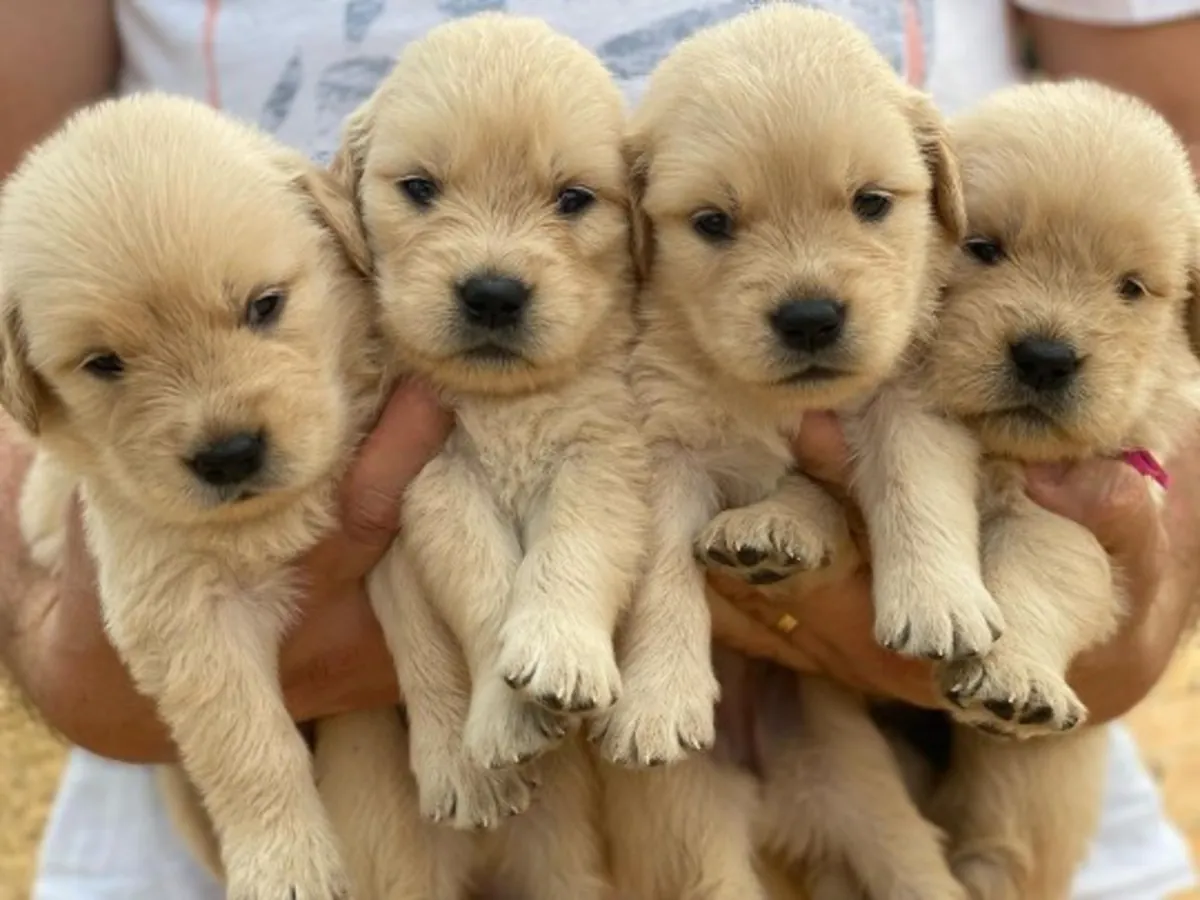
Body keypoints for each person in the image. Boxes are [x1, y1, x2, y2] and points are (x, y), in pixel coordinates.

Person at [1, 1, 1198, 898]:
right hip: (257, 775)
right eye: (715, 223)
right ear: (347, 198)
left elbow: (1159, 232)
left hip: (963, 748)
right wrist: (42, 625)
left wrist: (1154, 578)